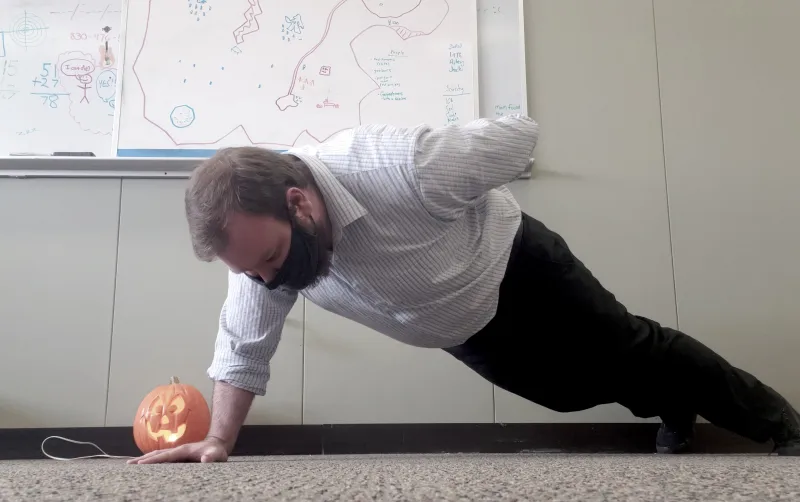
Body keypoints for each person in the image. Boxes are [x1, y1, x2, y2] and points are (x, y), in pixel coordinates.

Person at [128, 115, 800, 464]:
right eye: (254, 272)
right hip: (463, 328)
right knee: (573, 392)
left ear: (300, 202)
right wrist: (217, 439)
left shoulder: (396, 164)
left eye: (271, 258)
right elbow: (243, 343)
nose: (269, 280)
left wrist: (459, 183)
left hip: (520, 266)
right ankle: (673, 407)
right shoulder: (261, 255)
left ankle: (780, 425)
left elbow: (517, 138)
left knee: (629, 348)